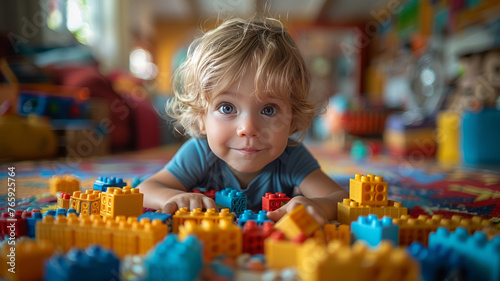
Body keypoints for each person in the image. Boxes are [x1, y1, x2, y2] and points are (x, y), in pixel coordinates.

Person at [139, 17, 347, 224]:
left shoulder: (291, 158)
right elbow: (145, 189)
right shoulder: (200, 154)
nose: (248, 128)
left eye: (269, 109)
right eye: (227, 108)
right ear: (202, 117)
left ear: (292, 118)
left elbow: (340, 198)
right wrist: (173, 197)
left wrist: (318, 205)